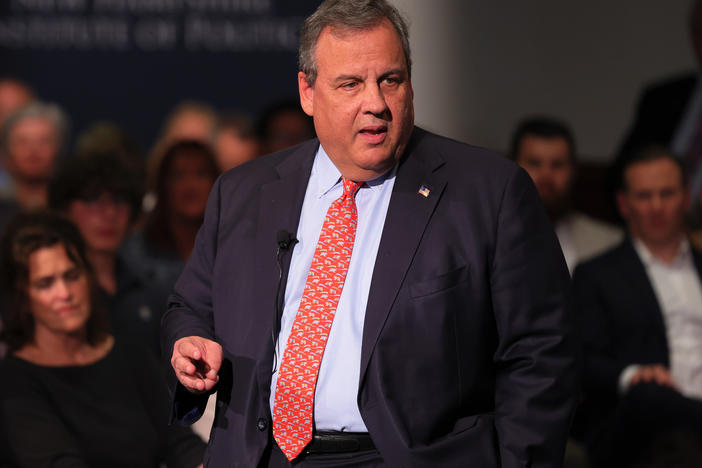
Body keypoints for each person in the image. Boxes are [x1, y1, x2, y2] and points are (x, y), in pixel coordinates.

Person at [162, 1, 577, 466]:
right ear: (308, 91)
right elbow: (190, 306)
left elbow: (541, 355)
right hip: (260, 455)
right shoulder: (243, 193)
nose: (376, 103)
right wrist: (188, 342)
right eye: (351, 84)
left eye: (391, 80)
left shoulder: (488, 193)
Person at [0, 211, 206, 467]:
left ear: (89, 277)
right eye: (46, 283)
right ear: (23, 298)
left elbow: (182, 445)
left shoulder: (131, 356)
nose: (64, 293)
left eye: (72, 276)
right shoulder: (14, 380)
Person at [572, 146, 702, 467]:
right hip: (638, 421)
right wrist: (632, 375)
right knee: (649, 394)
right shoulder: (597, 274)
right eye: (644, 196)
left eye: (667, 193)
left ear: (686, 197)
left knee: (684, 450)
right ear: (624, 204)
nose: (657, 206)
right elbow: (581, 360)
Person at [49, 153, 168, 356]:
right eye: (93, 200)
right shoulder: (54, 292)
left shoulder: (152, 290)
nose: (109, 213)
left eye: (119, 200)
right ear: (65, 209)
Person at [511, 117, 622, 273]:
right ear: (512, 169)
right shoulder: (483, 239)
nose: (546, 176)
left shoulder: (608, 243)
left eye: (557, 165)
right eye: (534, 163)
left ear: (573, 171)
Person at [0, 101, 68, 209]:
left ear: (59, 149)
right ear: (6, 153)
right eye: (22, 142)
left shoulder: (72, 208)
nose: (33, 150)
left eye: (44, 141)